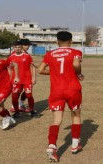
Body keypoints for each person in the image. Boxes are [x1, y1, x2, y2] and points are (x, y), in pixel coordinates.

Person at [39, 31, 84, 162]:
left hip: (56, 91)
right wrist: (79, 74)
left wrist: (54, 72)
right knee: (75, 115)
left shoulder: (49, 54)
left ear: (57, 41)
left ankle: (52, 146)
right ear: (71, 41)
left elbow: (41, 70)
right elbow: (76, 64)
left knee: (56, 120)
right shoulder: (76, 52)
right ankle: (75, 145)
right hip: (72, 89)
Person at [0, 47, 19, 129]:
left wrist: (16, 77)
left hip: (6, 87)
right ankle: (10, 119)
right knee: (0, 107)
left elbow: (15, 64)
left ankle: (6, 118)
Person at [7, 40, 37, 118]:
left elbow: (32, 67)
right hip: (16, 80)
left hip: (27, 79)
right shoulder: (10, 57)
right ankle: (17, 112)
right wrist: (9, 79)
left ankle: (31, 110)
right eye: (16, 47)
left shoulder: (27, 56)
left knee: (29, 95)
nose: (17, 48)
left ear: (21, 48)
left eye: (19, 47)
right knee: (14, 97)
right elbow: (9, 69)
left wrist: (33, 78)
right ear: (13, 48)